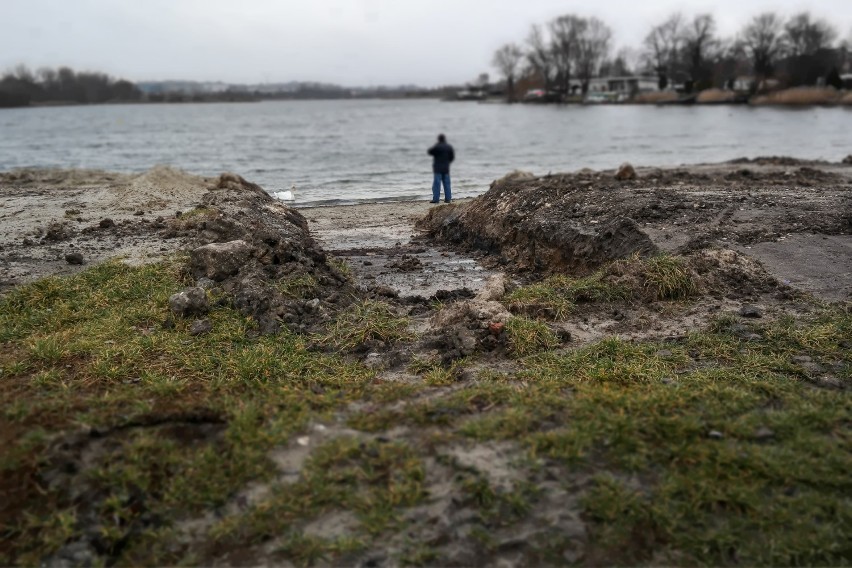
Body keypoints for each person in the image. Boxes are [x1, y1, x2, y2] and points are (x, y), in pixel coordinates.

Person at [427, 134, 454, 203]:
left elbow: (430, 152)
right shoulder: (449, 147)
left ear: (439, 139)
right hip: (446, 168)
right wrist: (447, 162)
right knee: (447, 184)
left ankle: (436, 199)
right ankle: (448, 199)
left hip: (438, 168)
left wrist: (436, 145)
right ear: (445, 139)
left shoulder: (437, 146)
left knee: (437, 184)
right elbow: (452, 157)